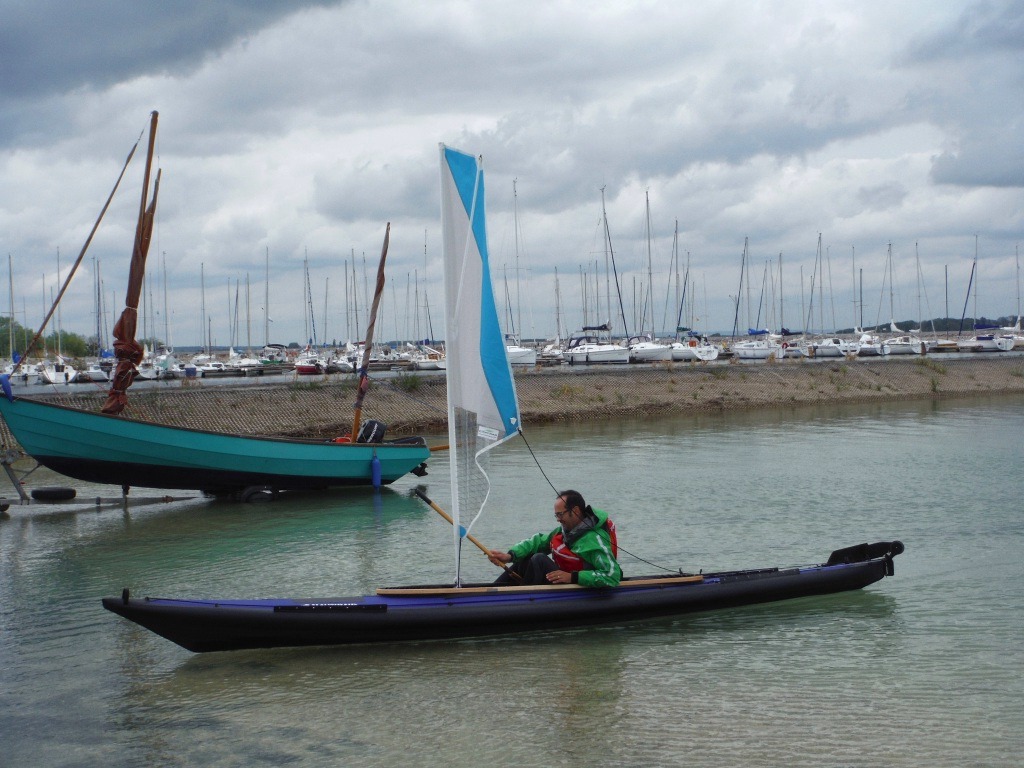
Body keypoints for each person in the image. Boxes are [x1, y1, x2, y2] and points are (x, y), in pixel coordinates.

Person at [488, 490, 621, 587]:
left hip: (576, 587)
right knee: (526, 559)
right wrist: (509, 556)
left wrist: (573, 577)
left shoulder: (594, 539)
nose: (558, 520)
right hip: (562, 580)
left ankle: (521, 598)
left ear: (575, 511)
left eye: (560, 514)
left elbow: (612, 575)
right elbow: (538, 542)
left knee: (539, 559)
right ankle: (492, 591)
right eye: (556, 515)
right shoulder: (565, 531)